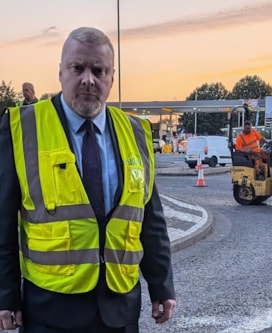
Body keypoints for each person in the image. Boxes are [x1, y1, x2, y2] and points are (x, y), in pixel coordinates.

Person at [0, 27, 176, 332]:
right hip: (49, 309)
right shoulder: (21, 127)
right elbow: (2, 222)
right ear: (60, 72)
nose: (88, 79)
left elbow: (149, 217)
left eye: (98, 70)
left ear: (112, 77)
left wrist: (161, 285)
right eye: (77, 68)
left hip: (120, 308)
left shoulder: (136, 132)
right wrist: (5, 295)